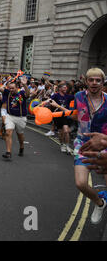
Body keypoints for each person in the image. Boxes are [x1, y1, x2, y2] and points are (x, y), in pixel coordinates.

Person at [54, 68, 107, 225]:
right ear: (86, 82)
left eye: (98, 80)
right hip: (83, 143)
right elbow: (76, 114)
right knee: (81, 183)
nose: (94, 83)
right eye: (91, 80)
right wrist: (55, 111)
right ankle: (100, 203)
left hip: (103, 143)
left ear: (103, 83)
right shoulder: (78, 96)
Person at [0, 75, 30, 160]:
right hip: (10, 116)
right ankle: (8, 152)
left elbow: (28, 94)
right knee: (8, 132)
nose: (11, 90)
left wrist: (25, 85)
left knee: (20, 135)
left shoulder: (22, 93)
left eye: (13, 88)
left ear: (17, 87)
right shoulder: (7, 92)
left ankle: (22, 146)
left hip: (21, 118)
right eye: (10, 88)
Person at [46, 82, 74, 154]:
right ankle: (62, 144)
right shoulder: (56, 95)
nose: (65, 88)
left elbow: (77, 97)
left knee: (66, 131)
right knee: (60, 133)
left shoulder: (68, 96)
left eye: (66, 87)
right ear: (60, 88)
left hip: (64, 116)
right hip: (57, 116)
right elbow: (49, 100)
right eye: (64, 87)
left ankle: (67, 146)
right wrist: (45, 103)